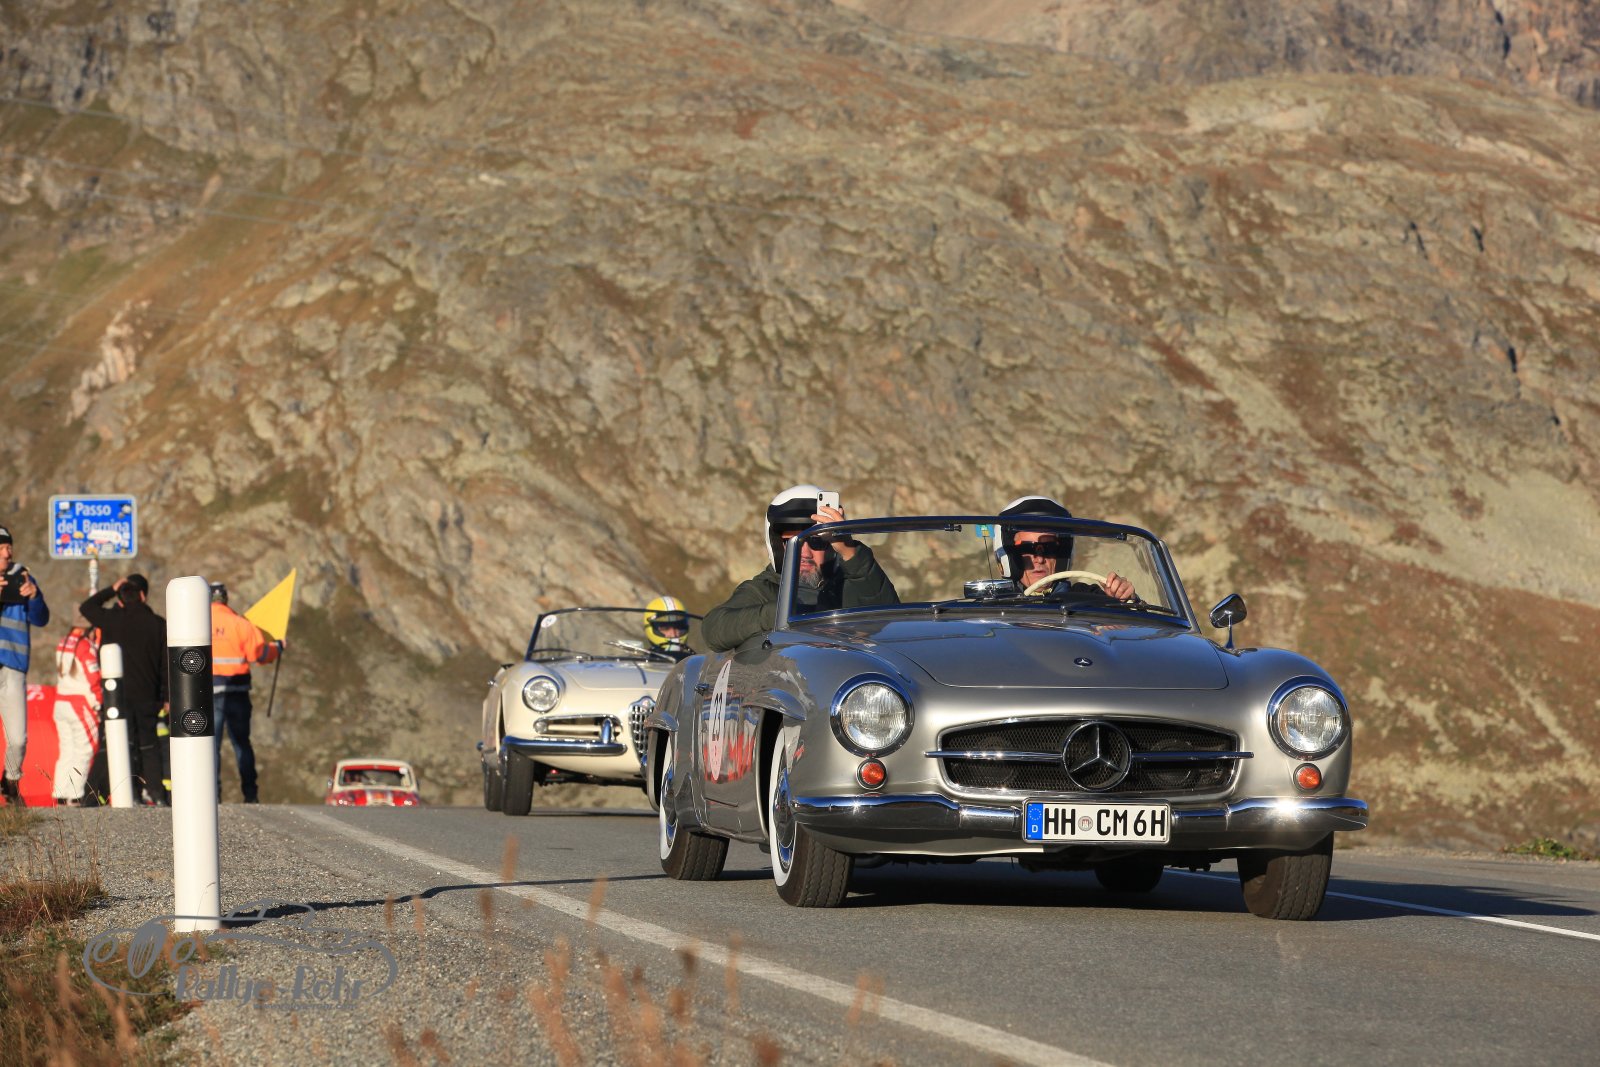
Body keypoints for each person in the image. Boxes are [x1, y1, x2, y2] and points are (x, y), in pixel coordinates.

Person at [702, 485, 898, 652]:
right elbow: (714, 629)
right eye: (793, 542)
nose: (805, 553)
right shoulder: (764, 590)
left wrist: (849, 552)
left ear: (832, 547)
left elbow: (893, 624)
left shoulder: (856, 583)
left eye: (816, 542)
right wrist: (782, 612)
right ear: (777, 547)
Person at [81, 574, 169, 805]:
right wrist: (167, 697)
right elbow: (166, 665)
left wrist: (111, 588)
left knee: (114, 745)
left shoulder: (110, 619)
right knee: (149, 746)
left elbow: (86, 607)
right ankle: (157, 795)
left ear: (120, 597)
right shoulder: (158, 624)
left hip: (116, 697)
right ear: (144, 596)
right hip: (148, 696)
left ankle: (93, 798)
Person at [209, 582, 282, 804]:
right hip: (237, 692)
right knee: (241, 744)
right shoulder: (241, 624)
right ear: (226, 599)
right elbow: (259, 655)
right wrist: (278, 647)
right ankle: (250, 794)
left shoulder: (199, 624)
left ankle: (214, 795)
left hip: (209, 693)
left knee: (211, 747)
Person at [995, 496, 1137, 600]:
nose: (1039, 559)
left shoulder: (1087, 598)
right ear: (1010, 556)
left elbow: (1130, 625)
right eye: (1027, 548)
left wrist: (1122, 597)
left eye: (1049, 547)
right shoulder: (993, 605)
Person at [0, 523, 50, 804]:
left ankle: (10, 781)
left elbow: (41, 619)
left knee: (18, 738)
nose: (8, 553)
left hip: (13, 667)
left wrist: (34, 596)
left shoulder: (23, 576)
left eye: (9, 547)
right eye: (2, 548)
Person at [51, 617, 103, 807]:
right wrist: (99, 702)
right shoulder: (85, 645)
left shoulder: (63, 641)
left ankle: (60, 794)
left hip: (61, 702)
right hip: (80, 705)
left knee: (67, 750)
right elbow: (94, 678)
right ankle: (75, 795)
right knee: (84, 750)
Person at [642, 596, 692, 661]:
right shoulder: (639, 664)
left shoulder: (695, 663)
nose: (673, 634)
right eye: (665, 628)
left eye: (679, 626)